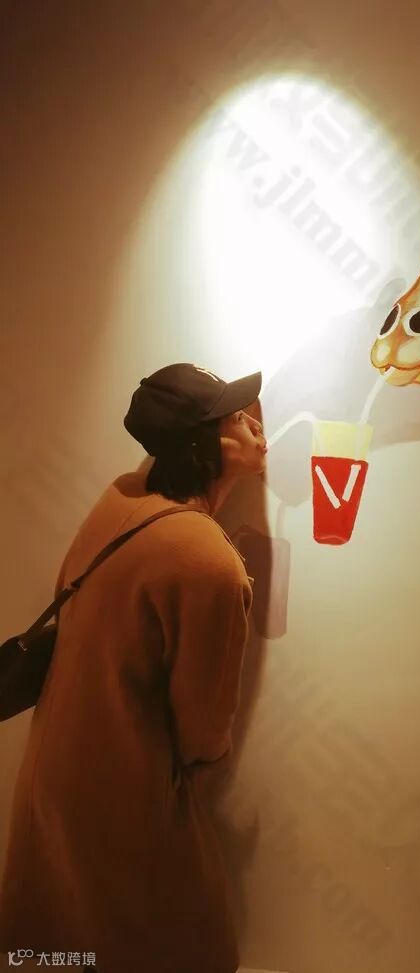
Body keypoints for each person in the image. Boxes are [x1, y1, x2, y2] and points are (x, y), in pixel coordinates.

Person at [0, 363, 267, 973]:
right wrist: (203, 774)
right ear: (201, 447)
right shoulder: (210, 562)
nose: (255, 424)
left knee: (66, 944)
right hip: (123, 787)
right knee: (187, 951)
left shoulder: (121, 496)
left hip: (55, 769)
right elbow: (203, 727)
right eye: (235, 417)